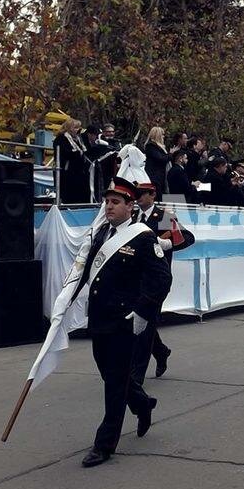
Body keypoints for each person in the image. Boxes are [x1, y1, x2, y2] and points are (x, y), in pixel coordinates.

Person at [72, 177, 171, 468]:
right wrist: (65, 303)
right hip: (100, 317)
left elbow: (162, 277)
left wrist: (143, 311)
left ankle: (104, 444)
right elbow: (87, 272)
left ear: (131, 205)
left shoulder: (142, 236)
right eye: (106, 201)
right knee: (110, 375)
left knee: (114, 382)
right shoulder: (102, 233)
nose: (109, 206)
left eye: (115, 202)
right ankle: (142, 403)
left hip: (124, 319)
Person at [133, 182, 194, 379]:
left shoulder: (163, 216)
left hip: (156, 279)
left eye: (143, 194)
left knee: (146, 322)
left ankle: (136, 375)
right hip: (135, 277)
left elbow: (188, 237)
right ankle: (160, 351)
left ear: (153, 194)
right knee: (142, 320)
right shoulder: (133, 217)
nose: (139, 197)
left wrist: (168, 244)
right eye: (137, 194)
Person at [53, 118, 90, 203]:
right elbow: (65, 153)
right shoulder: (61, 138)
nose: (78, 130)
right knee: (69, 195)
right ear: (69, 128)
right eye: (75, 128)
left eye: (78, 128)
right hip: (67, 171)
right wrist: (77, 153)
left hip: (80, 170)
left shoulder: (78, 139)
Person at [144, 126, 170, 200]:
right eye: (162, 134)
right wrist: (170, 155)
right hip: (154, 177)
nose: (163, 137)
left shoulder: (160, 147)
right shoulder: (150, 146)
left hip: (161, 177)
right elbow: (160, 158)